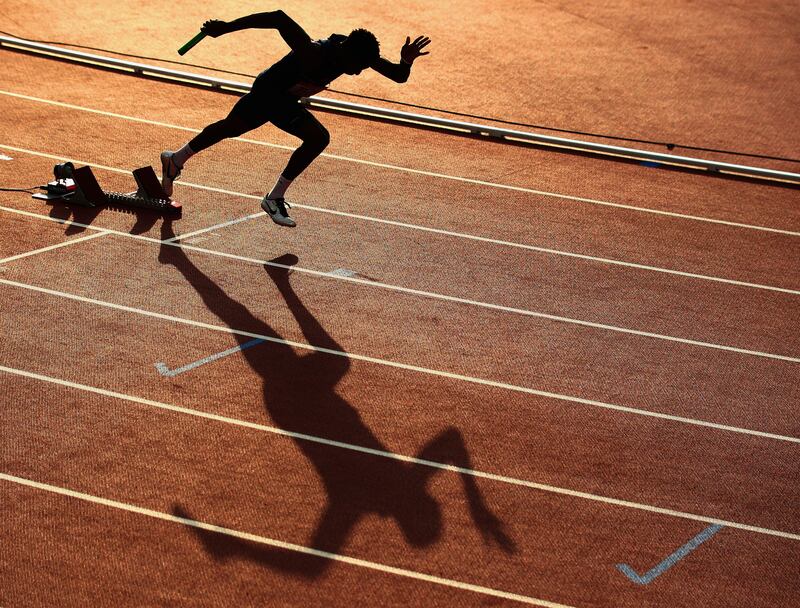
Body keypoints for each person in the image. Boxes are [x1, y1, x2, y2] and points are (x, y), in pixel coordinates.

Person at [160, 11, 431, 227]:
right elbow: (278, 17)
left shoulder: (357, 53)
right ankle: (274, 197)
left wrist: (405, 61)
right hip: (270, 92)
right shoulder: (314, 52)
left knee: (231, 127)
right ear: (349, 54)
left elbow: (398, 76)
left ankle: (175, 159)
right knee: (316, 137)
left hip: (284, 99)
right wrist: (225, 27)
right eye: (359, 67)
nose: (360, 73)